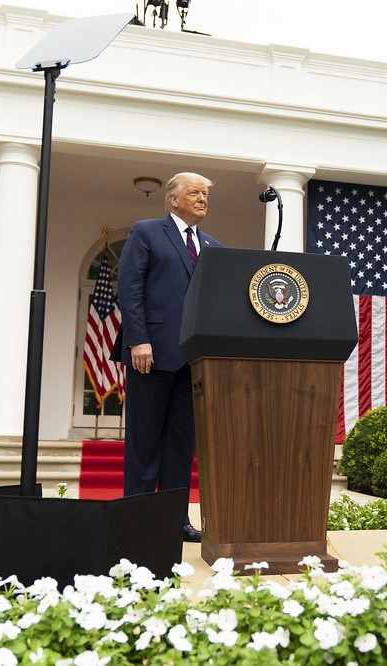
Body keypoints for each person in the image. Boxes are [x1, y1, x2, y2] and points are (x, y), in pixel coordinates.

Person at [112, 172, 221, 543]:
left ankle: (176, 520)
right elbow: (130, 289)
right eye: (195, 193)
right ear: (173, 199)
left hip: (193, 362)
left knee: (180, 444)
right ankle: (138, 519)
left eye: (205, 194)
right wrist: (138, 340)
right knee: (144, 442)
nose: (203, 199)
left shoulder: (213, 247)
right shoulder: (146, 232)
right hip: (151, 355)